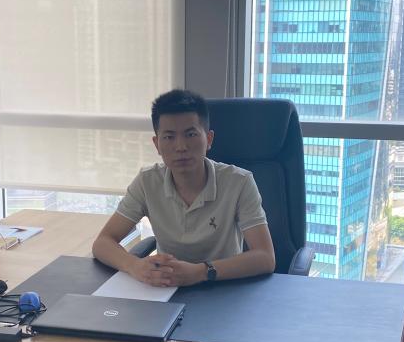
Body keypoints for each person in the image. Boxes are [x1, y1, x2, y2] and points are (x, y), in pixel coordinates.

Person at [92, 89, 277, 287]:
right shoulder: (147, 181)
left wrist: (200, 272)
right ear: (157, 144)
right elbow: (103, 242)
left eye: (190, 134)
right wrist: (135, 266)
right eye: (169, 137)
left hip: (222, 286)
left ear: (209, 139)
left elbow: (265, 257)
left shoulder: (239, 182)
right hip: (167, 288)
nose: (181, 147)